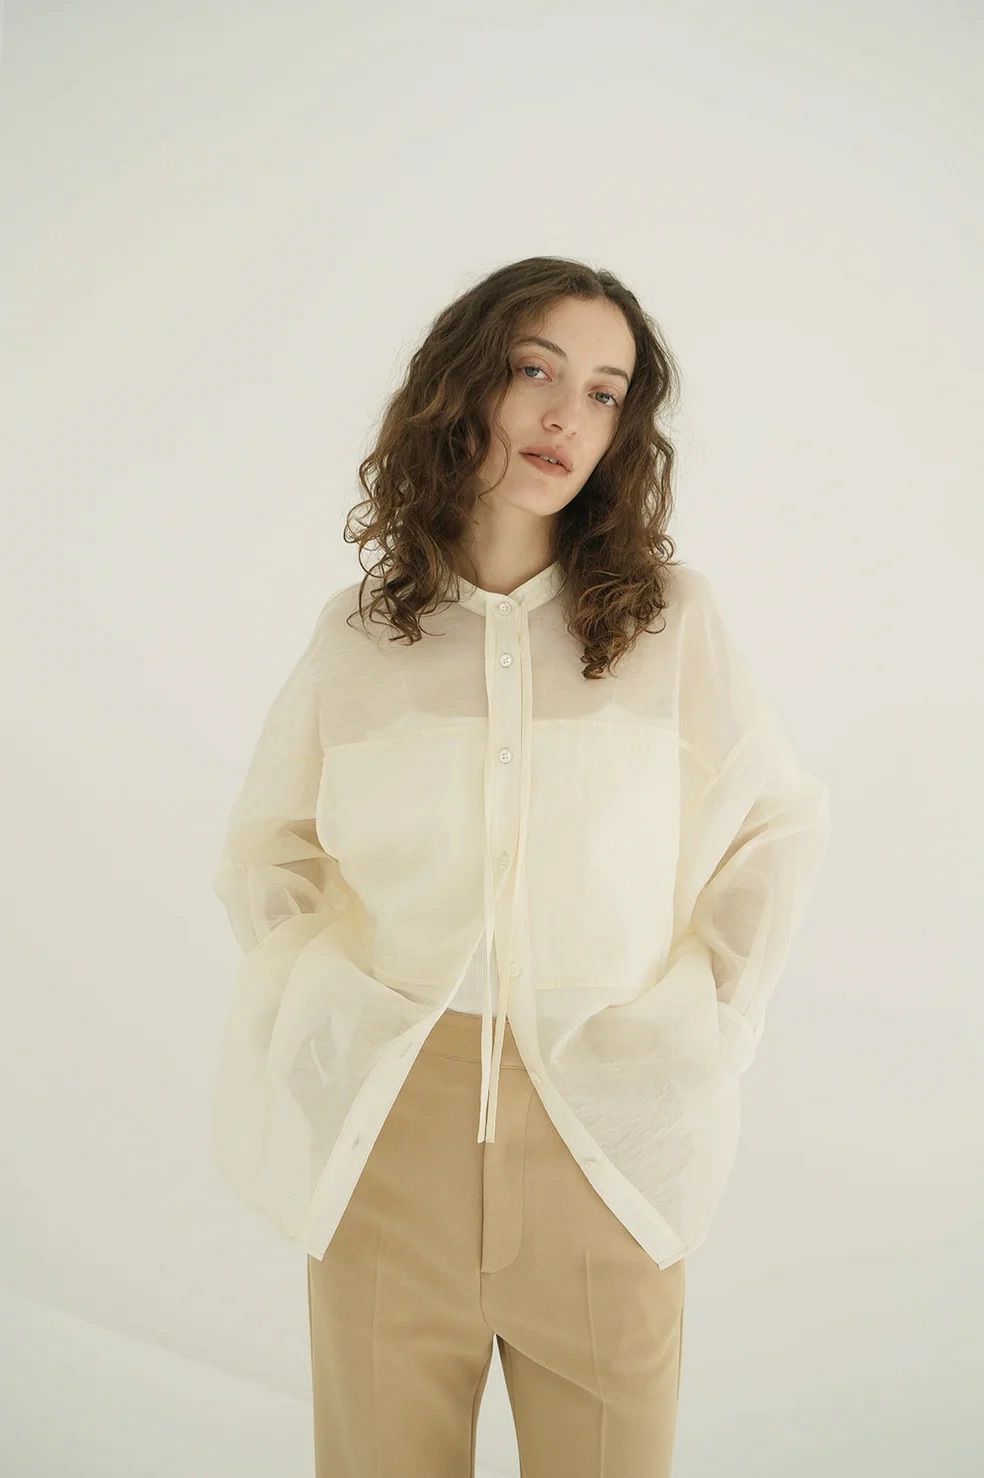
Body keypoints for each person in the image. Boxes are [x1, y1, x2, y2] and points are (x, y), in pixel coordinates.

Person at [210, 255, 831, 1477]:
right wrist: (326, 1014)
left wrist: (706, 1025)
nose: (565, 416)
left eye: (603, 392)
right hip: (395, 1133)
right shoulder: (361, 634)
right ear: (464, 384)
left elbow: (776, 823)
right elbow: (269, 846)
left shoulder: (671, 622)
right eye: (536, 370)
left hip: (607, 1137)